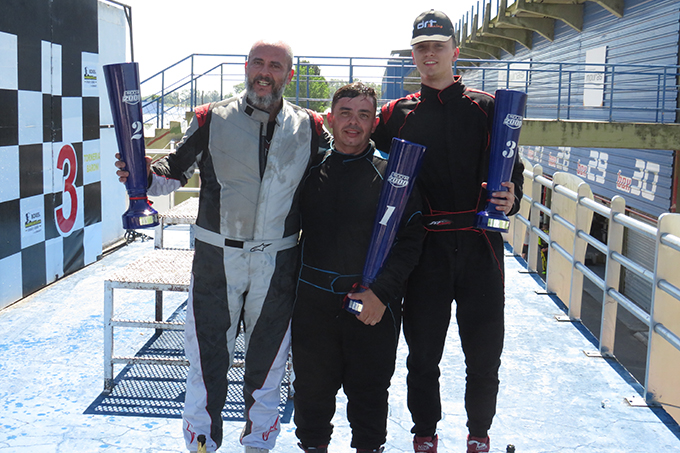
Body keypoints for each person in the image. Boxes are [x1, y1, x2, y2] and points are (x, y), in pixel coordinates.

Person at [115, 40, 329, 453]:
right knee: (206, 362)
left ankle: (258, 443)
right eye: (258, 63)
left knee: (269, 363)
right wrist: (140, 176)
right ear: (246, 67)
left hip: (278, 262)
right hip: (217, 261)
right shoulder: (211, 118)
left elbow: (340, 172)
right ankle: (202, 443)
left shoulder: (310, 126)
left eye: (276, 66)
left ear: (289, 74)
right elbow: (171, 173)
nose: (265, 73)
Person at [371, 10, 524, 453]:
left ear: (455, 52)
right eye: (421, 48)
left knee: (484, 355)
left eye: (438, 46)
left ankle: (479, 435)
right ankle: (425, 435)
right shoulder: (395, 115)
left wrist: (513, 197)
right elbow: (356, 148)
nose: (429, 54)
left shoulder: (488, 107)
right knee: (422, 356)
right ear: (413, 56)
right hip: (425, 250)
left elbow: (514, 171)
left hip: (481, 245)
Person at [292, 82, 424, 453]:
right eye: (345, 114)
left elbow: (412, 240)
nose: (354, 123)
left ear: (374, 122)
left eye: (364, 115)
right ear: (330, 119)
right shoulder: (307, 170)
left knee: (369, 397)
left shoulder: (393, 176)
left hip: (372, 306)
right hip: (313, 305)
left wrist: (381, 294)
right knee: (311, 395)